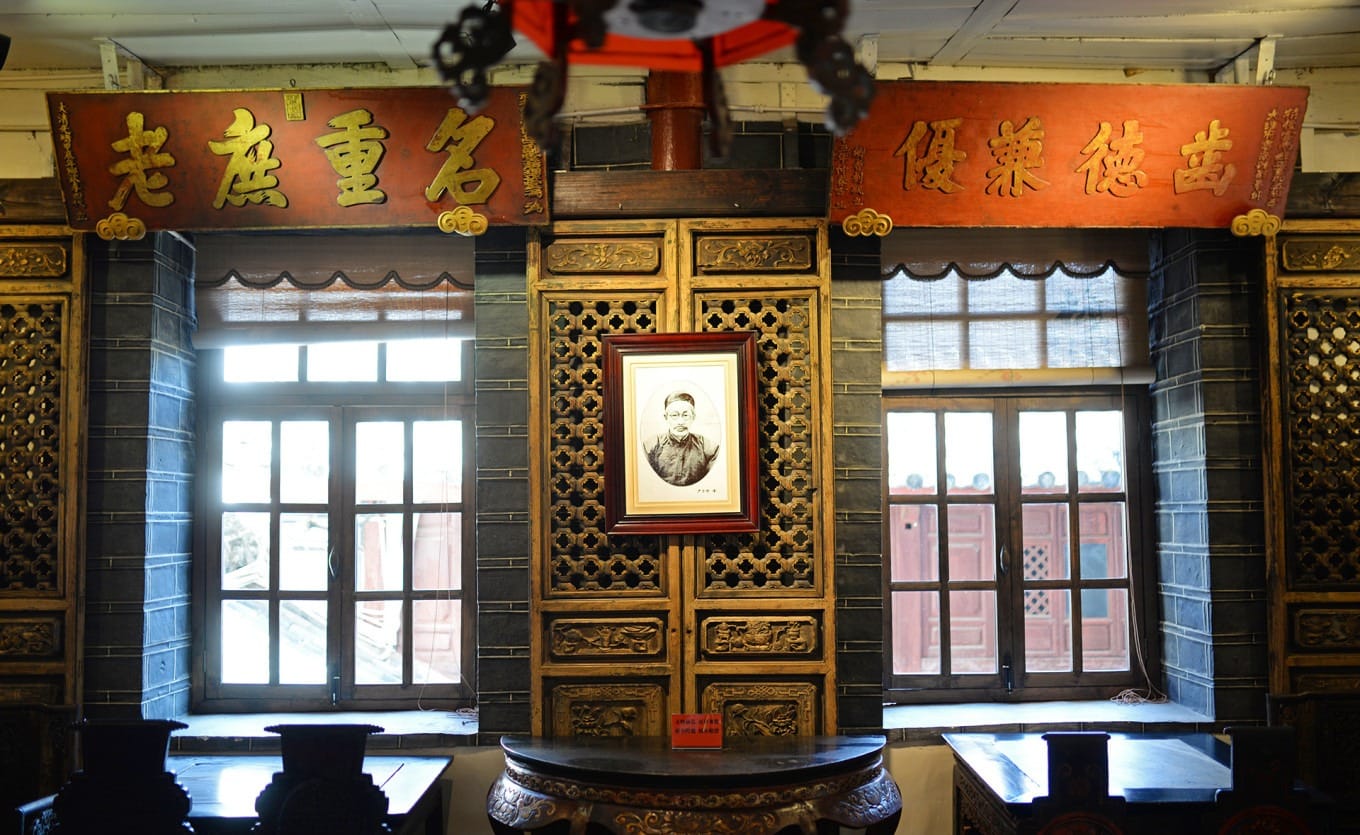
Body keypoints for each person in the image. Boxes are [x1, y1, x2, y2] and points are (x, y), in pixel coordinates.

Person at [644, 391, 719, 486]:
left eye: (685, 415)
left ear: (693, 417)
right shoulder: (650, 447)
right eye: (674, 415)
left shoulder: (708, 448)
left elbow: (711, 481)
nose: (680, 422)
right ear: (666, 417)